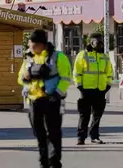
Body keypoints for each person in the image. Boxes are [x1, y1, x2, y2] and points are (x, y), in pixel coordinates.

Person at [18, 29, 72, 168]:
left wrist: (57, 94)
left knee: (53, 133)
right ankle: (43, 162)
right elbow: (20, 78)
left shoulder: (58, 57)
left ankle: (54, 161)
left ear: (42, 44)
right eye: (30, 45)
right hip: (34, 101)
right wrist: (25, 77)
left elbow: (66, 78)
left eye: (33, 45)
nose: (31, 47)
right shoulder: (29, 57)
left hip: (52, 100)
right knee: (39, 134)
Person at [73, 32, 113, 145]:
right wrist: (79, 86)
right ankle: (81, 137)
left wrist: (108, 86)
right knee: (84, 115)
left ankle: (94, 136)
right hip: (85, 90)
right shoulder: (83, 55)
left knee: (97, 116)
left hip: (100, 90)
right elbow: (77, 72)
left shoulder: (105, 57)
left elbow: (109, 73)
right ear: (91, 42)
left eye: (101, 42)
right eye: (97, 42)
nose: (100, 44)